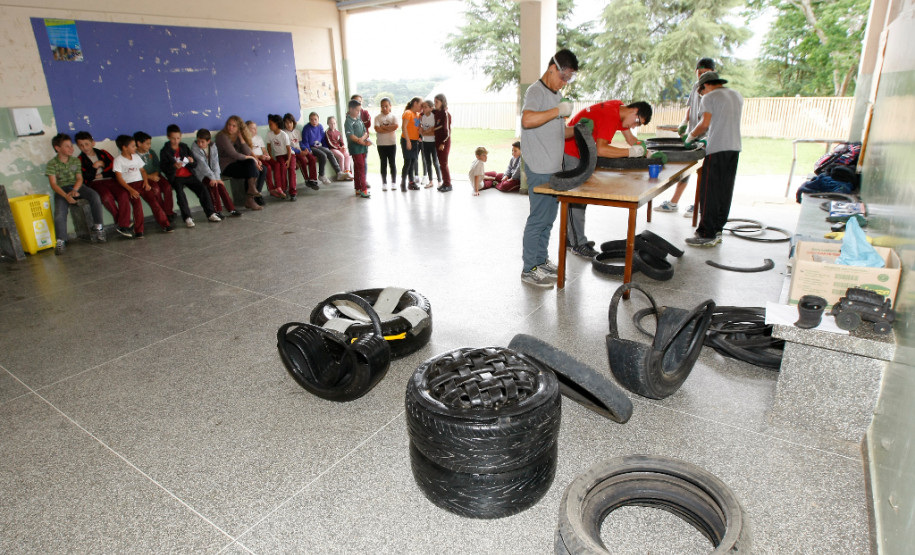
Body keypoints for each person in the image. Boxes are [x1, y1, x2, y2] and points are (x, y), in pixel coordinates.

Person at [563, 100, 653, 258]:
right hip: (571, 150)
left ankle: (573, 238)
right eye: (637, 122)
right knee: (576, 197)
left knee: (580, 198)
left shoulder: (620, 110)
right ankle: (577, 243)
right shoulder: (611, 116)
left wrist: (646, 151)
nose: (634, 126)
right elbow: (601, 149)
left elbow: (631, 140)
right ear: (634, 111)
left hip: (582, 151)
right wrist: (630, 152)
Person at [520, 49, 578, 288]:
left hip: (554, 168)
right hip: (539, 166)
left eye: (569, 78)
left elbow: (557, 131)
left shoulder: (557, 95)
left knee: (549, 219)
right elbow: (527, 120)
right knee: (538, 219)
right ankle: (529, 269)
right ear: (552, 68)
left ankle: (541, 261)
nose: (564, 81)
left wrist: (579, 129)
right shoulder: (536, 91)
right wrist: (558, 111)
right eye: (563, 76)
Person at [684, 71, 744, 247]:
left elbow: (704, 124)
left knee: (709, 192)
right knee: (724, 191)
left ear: (705, 86)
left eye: (701, 91)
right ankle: (717, 229)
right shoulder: (736, 95)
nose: (702, 95)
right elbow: (723, 122)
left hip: (717, 149)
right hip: (734, 148)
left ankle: (706, 233)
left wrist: (690, 137)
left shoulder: (709, 97)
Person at [655, 57, 716, 217]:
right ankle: (674, 202)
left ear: (713, 73)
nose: (701, 75)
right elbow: (690, 108)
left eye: (705, 73)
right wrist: (684, 122)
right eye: (699, 72)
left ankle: (698, 206)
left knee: (703, 172)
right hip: (693, 134)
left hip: (707, 137)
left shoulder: (714, 91)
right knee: (686, 168)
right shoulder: (696, 87)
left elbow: (708, 120)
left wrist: (701, 138)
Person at [45, 133, 106, 254]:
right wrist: (66, 196)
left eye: (71, 146)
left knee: (94, 196)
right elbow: (54, 184)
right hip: (62, 190)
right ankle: (61, 240)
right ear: (58, 148)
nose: (71, 149)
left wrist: (75, 190)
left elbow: (79, 178)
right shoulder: (52, 164)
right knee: (59, 213)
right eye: (67, 146)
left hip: (77, 187)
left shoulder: (75, 161)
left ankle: (99, 227)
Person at [74, 131, 135, 238]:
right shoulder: (80, 160)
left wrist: (100, 174)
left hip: (110, 180)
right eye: (81, 145)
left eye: (87, 144)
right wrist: (95, 167)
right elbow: (86, 177)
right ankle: (122, 223)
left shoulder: (103, 153)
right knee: (106, 197)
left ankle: (122, 224)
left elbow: (113, 168)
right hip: (94, 184)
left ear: (93, 143)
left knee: (123, 194)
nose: (85, 147)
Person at [112, 134, 172, 237]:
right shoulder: (118, 160)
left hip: (141, 183)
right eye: (133, 146)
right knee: (137, 206)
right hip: (130, 186)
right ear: (124, 148)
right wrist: (130, 190)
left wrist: (146, 182)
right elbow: (119, 178)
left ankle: (165, 224)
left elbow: (143, 171)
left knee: (154, 202)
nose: (135, 148)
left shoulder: (135, 157)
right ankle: (138, 230)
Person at [159, 124, 218, 228]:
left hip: (189, 174)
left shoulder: (184, 147)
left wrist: (191, 161)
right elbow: (163, 167)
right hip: (176, 177)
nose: (176, 141)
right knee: (180, 194)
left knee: (202, 188)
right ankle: (187, 217)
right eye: (173, 138)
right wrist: (173, 166)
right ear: (168, 137)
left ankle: (210, 213)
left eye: (178, 138)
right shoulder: (165, 151)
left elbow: (194, 164)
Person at [215, 115, 264, 211]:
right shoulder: (222, 137)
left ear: (239, 128)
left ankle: (250, 196)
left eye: (234, 126)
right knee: (251, 165)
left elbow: (247, 152)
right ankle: (251, 197)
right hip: (226, 166)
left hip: (238, 164)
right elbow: (234, 154)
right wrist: (253, 159)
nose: (230, 127)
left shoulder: (237, 136)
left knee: (262, 169)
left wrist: (241, 139)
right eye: (229, 125)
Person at [191, 128, 242, 218]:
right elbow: (203, 166)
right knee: (213, 185)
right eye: (198, 141)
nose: (200, 144)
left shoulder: (213, 147)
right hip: (202, 175)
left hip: (213, 174)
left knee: (221, 185)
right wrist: (213, 179)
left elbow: (215, 163)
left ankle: (231, 209)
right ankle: (217, 210)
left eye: (202, 142)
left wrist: (217, 178)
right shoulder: (195, 148)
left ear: (208, 141)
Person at [134, 131, 176, 223]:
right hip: (145, 178)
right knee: (156, 190)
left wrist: (156, 174)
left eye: (150, 144)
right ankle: (162, 213)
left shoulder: (151, 152)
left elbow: (158, 165)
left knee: (167, 187)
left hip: (156, 175)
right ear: (139, 143)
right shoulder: (134, 156)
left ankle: (169, 212)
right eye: (147, 144)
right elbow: (136, 172)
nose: (149, 146)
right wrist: (149, 177)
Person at [282, 113, 319, 191]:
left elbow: (301, 143)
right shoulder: (284, 133)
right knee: (302, 160)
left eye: (290, 122)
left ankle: (313, 179)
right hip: (293, 152)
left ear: (293, 123)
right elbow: (289, 147)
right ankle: (307, 179)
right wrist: (299, 152)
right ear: (284, 124)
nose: (289, 125)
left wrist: (305, 149)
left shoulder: (297, 131)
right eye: (287, 123)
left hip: (300, 150)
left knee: (312, 158)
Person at [304, 112, 344, 183]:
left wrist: (326, 148)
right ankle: (321, 175)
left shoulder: (320, 127)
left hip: (319, 146)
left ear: (318, 120)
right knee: (323, 155)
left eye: (315, 119)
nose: (314, 121)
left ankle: (339, 172)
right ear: (309, 120)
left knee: (329, 152)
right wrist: (309, 150)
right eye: (311, 119)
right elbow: (305, 141)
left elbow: (323, 139)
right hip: (311, 147)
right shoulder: (306, 128)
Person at [247, 120, 281, 199]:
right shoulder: (246, 140)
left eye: (256, 128)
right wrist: (260, 157)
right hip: (256, 158)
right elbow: (249, 153)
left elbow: (264, 149)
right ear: (247, 130)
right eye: (253, 128)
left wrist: (267, 155)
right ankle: (271, 189)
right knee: (268, 167)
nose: (255, 130)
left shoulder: (259, 138)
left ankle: (278, 187)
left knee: (276, 164)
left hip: (263, 157)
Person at [345, 99, 372, 198]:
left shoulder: (359, 119)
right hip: (355, 149)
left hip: (362, 148)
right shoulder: (348, 121)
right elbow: (351, 135)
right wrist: (360, 141)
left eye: (359, 110)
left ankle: (358, 188)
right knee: (361, 168)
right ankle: (364, 190)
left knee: (357, 168)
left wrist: (363, 139)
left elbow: (365, 132)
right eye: (357, 110)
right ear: (351, 109)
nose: (358, 112)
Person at [373, 97, 399, 191]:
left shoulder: (393, 117)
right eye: (382, 106)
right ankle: (384, 183)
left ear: (390, 106)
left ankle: (394, 182)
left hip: (391, 143)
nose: (384, 108)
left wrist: (383, 128)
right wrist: (388, 128)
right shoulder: (377, 117)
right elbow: (377, 129)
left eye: (386, 106)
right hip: (381, 144)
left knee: (392, 163)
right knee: (383, 163)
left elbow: (395, 126)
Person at [265, 114, 293, 200]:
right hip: (279, 156)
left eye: (271, 124)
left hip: (287, 154)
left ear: (277, 124)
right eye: (269, 124)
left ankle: (284, 188)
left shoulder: (284, 134)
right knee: (282, 167)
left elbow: (289, 149)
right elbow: (268, 146)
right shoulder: (269, 134)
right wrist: (270, 156)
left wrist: (288, 160)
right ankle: (281, 188)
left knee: (285, 167)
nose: (269, 126)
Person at [400, 97, 422, 191]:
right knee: (407, 162)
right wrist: (408, 141)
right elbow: (404, 127)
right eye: (421, 104)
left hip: (414, 141)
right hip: (407, 140)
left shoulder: (417, 115)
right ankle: (403, 183)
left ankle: (411, 182)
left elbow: (416, 128)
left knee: (413, 162)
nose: (421, 107)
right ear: (415, 103)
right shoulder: (408, 113)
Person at [419, 100, 442, 188]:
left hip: (433, 142)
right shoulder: (422, 117)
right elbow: (421, 131)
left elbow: (434, 131)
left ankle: (439, 181)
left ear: (431, 108)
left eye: (425, 107)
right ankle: (431, 181)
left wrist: (426, 132)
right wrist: (425, 132)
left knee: (435, 161)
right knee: (427, 162)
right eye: (423, 107)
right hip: (425, 142)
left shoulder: (434, 117)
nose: (423, 109)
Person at [433, 93, 453, 192]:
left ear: (442, 102)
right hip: (437, 141)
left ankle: (448, 184)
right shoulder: (436, 112)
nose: (435, 104)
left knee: (444, 163)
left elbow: (448, 131)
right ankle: (445, 183)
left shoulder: (445, 114)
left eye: (437, 102)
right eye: (434, 102)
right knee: (441, 163)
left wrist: (443, 143)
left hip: (443, 142)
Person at [324, 116, 353, 181]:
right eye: (331, 123)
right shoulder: (327, 132)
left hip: (339, 149)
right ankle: (341, 174)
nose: (332, 125)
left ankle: (347, 172)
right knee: (341, 156)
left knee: (347, 155)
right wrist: (339, 148)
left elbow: (341, 142)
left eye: (334, 123)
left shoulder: (338, 132)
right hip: (332, 149)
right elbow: (330, 143)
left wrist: (343, 147)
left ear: (336, 123)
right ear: (328, 123)